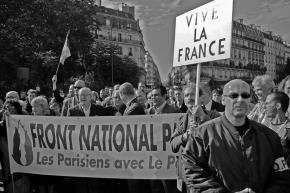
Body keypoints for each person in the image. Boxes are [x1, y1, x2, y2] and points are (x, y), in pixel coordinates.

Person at [182, 79, 290, 192]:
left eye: (245, 95)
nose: (240, 100)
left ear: (249, 100)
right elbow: (193, 174)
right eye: (234, 95)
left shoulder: (270, 137)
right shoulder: (201, 135)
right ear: (223, 99)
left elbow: (282, 177)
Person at [170, 83, 220, 193]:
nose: (189, 98)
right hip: (186, 175)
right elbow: (173, 145)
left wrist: (203, 117)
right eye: (186, 95)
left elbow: (219, 137)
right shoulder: (181, 120)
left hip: (208, 176)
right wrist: (185, 135)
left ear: (201, 98)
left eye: (193, 94)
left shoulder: (214, 116)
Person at [146, 85, 180, 193]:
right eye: (152, 96)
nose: (153, 98)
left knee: (169, 188)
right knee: (155, 187)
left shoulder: (174, 112)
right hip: (152, 158)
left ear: (164, 96)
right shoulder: (148, 112)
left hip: (167, 158)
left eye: (156, 95)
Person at [119, 82, 148, 193]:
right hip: (133, 154)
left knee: (135, 186)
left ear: (122, 95)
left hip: (135, 155)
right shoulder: (132, 106)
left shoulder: (134, 108)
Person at [0, 99, 30, 193]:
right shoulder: (2, 123)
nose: (9, 109)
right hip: (8, 155)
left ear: (17, 108)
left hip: (24, 151)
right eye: (7, 107)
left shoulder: (24, 118)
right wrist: (5, 121)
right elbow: (2, 134)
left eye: (11, 106)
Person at [263, 92, 290, 165]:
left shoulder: (288, 128)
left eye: (267, 103)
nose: (264, 106)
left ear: (278, 106)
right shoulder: (262, 126)